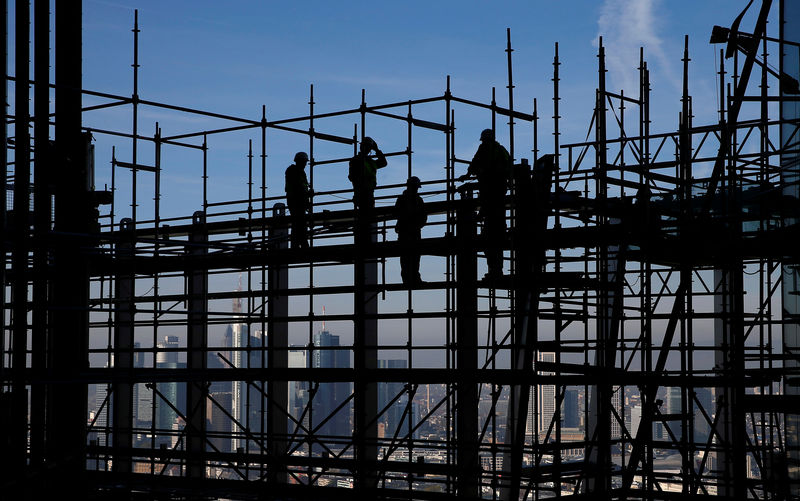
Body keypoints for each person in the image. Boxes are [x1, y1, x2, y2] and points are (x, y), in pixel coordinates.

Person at [458, 128, 511, 280]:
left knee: (491, 235)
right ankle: (496, 270)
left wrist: (469, 174)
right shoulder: (500, 150)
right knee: (496, 230)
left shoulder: (487, 150)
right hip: (497, 190)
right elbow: (509, 166)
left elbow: (475, 163)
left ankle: (495, 271)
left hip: (490, 189)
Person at [394, 176, 427, 285]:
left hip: (412, 231)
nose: (416, 189)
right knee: (407, 257)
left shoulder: (416, 199)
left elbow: (423, 215)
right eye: (415, 187)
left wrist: (418, 224)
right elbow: (398, 213)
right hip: (406, 231)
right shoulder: (403, 199)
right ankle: (408, 279)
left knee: (414, 256)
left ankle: (414, 278)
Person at [348, 136, 387, 224]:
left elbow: (383, 163)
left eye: (369, 148)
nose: (367, 149)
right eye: (367, 147)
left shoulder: (370, 161)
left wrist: (377, 150)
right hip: (361, 192)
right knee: (365, 219)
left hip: (369, 192)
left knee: (368, 219)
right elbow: (352, 177)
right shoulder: (356, 160)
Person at [285, 151, 312, 248]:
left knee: (299, 223)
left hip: (300, 201)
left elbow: (303, 187)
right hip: (295, 200)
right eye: (304, 162)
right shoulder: (292, 171)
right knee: (298, 223)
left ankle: (299, 244)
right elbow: (297, 187)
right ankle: (299, 244)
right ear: (299, 161)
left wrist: (307, 200)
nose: (305, 164)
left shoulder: (301, 172)